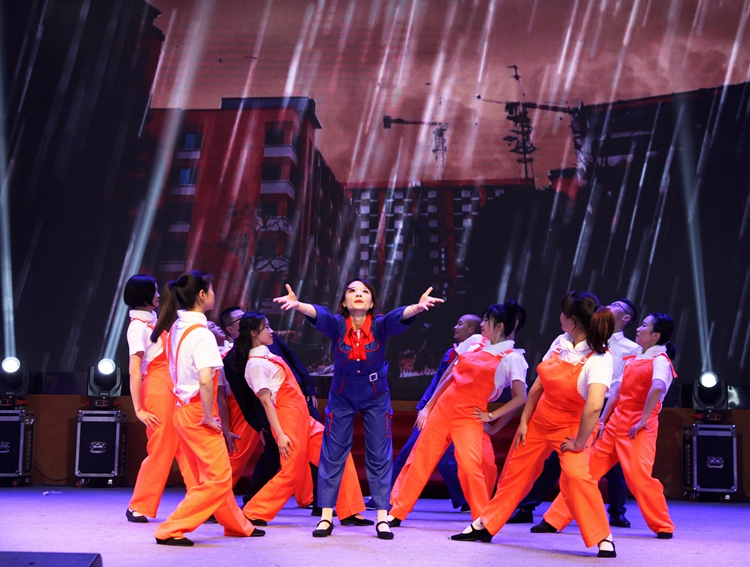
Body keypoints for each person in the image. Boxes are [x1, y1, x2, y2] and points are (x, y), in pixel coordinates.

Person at [451, 291, 617, 559]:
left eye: (563, 313)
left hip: (574, 426)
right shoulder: (561, 342)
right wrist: (525, 421)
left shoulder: (599, 358)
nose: (560, 316)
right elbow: (539, 384)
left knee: (577, 477)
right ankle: (484, 525)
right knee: (515, 474)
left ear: (573, 320)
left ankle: (603, 536)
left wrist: (579, 442)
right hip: (540, 420)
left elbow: (594, 406)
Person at [274, 279, 444, 539]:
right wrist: (298, 305)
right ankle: (326, 517)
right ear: (344, 302)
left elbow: (398, 318)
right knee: (333, 453)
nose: (358, 294)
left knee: (378, 453)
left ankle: (382, 517)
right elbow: (320, 315)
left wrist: (417, 308)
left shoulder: (379, 325)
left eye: (364, 292)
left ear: (372, 303)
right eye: (352, 291)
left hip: (375, 394)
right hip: (342, 393)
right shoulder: (337, 325)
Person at [387, 302, 528, 526]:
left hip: (470, 414)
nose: (482, 324)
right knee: (420, 460)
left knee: (472, 467)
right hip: (444, 407)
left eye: (486, 321)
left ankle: (481, 520)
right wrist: (429, 406)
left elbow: (520, 397)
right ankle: (397, 511)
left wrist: (492, 418)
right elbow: (450, 374)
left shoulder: (512, 357)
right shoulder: (474, 341)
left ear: (500, 326)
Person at [539, 312, 677, 539]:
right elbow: (617, 393)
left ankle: (662, 524)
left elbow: (658, 387)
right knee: (587, 472)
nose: (639, 328)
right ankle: (554, 519)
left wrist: (643, 420)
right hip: (616, 423)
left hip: (638, 428)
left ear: (656, 336)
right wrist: (603, 420)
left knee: (639, 478)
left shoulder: (660, 360)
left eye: (644, 325)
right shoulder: (635, 358)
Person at [151, 271, 263, 546]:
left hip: (183, 410)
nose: (214, 292)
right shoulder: (201, 334)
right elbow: (205, 379)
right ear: (202, 295)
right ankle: (171, 528)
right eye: (211, 289)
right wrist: (210, 417)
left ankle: (237, 525)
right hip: (197, 412)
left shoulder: (178, 326)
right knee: (219, 478)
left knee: (209, 476)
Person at [508, 298, 640, 527]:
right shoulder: (571, 339)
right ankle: (528, 506)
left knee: (608, 465)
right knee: (555, 461)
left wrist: (605, 417)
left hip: (606, 405)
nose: (611, 306)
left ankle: (616, 511)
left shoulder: (631, 349)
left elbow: (622, 386)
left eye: (618, 306)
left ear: (626, 317)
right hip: (573, 403)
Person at [232, 312, 368, 526]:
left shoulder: (267, 356)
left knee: (338, 453)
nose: (271, 331)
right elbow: (266, 403)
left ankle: (350, 510)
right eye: (266, 327)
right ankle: (253, 511)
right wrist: (280, 435)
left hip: (302, 417)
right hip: (287, 420)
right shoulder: (256, 364)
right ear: (253, 333)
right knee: (291, 472)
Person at [217, 306, 319, 509]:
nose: (269, 330)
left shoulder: (270, 339)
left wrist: (309, 387)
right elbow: (245, 398)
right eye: (240, 319)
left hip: (299, 401)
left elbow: (292, 359)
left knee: (317, 451)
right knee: (275, 458)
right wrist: (260, 425)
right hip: (274, 413)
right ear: (231, 328)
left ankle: (319, 501)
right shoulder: (233, 359)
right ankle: (253, 502)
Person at [387, 314, 483, 512]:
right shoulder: (450, 353)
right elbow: (437, 382)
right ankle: (387, 496)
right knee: (411, 452)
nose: (455, 327)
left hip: (455, 411)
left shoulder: (477, 356)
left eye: (460, 323)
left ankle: (467, 498)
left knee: (448, 461)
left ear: (472, 330)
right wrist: (425, 406)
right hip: (435, 410)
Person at [124, 274, 196, 523]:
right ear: (142, 295)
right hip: (156, 389)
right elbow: (135, 371)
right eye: (153, 291)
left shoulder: (154, 322)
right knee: (162, 448)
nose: (157, 295)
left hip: (172, 387)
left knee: (186, 444)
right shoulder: (137, 327)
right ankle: (139, 505)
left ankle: (202, 498)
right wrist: (138, 409)